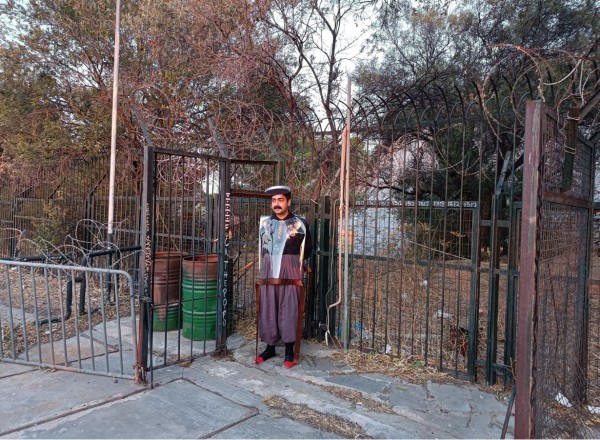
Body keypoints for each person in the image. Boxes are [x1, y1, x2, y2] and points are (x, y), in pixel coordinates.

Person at [255, 185, 312, 368]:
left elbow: (307, 249)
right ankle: (270, 347)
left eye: (280, 200)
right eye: (273, 200)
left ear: (288, 202)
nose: (276, 204)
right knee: (269, 305)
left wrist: (292, 262)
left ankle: (288, 350)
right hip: (269, 268)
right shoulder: (265, 224)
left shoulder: (300, 223)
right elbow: (262, 247)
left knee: (289, 306)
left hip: (290, 268)